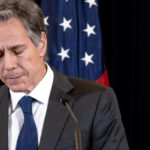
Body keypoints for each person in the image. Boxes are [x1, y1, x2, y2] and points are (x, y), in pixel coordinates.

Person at [0, 0, 129, 150]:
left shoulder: (95, 101)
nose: (8, 65)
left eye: (17, 51)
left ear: (41, 44)